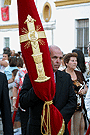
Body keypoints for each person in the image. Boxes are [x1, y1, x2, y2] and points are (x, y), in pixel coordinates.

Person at [19, 45, 77, 135]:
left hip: (60, 129)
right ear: (45, 57)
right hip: (37, 129)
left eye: (60, 58)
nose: (58, 61)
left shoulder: (65, 77)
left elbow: (72, 101)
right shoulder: (31, 76)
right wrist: (38, 87)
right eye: (54, 58)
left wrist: (58, 119)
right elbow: (23, 102)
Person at [63, 52, 88, 135]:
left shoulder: (79, 74)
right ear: (66, 63)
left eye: (76, 61)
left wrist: (84, 91)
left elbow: (86, 86)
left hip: (78, 105)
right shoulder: (62, 74)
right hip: (66, 105)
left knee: (78, 128)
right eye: (72, 61)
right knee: (68, 128)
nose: (75, 63)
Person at [12, 59, 28, 135]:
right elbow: (15, 87)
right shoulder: (21, 72)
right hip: (23, 104)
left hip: (37, 104)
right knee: (24, 125)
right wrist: (15, 100)